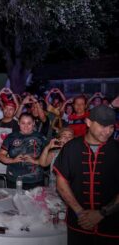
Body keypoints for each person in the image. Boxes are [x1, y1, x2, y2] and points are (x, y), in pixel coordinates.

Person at [54, 105, 119, 245]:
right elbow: (61, 183)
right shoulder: (71, 148)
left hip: (112, 226)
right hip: (78, 224)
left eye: (111, 127)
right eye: (103, 126)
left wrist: (102, 213)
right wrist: (80, 213)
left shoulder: (117, 149)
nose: (108, 131)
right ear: (88, 122)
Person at [0, 113, 47, 189]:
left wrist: (35, 161)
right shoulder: (11, 137)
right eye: (23, 123)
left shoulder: (40, 137)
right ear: (18, 123)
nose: (26, 126)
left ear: (33, 123)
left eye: (29, 123)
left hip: (35, 178)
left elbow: (49, 157)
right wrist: (13, 160)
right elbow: (0, 156)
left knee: (35, 201)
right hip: (15, 178)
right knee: (15, 200)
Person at [0, 98, 19, 176]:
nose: (8, 111)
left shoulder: (17, 125)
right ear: (2, 109)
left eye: (11, 109)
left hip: (10, 161)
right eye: (6, 108)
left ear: (14, 111)